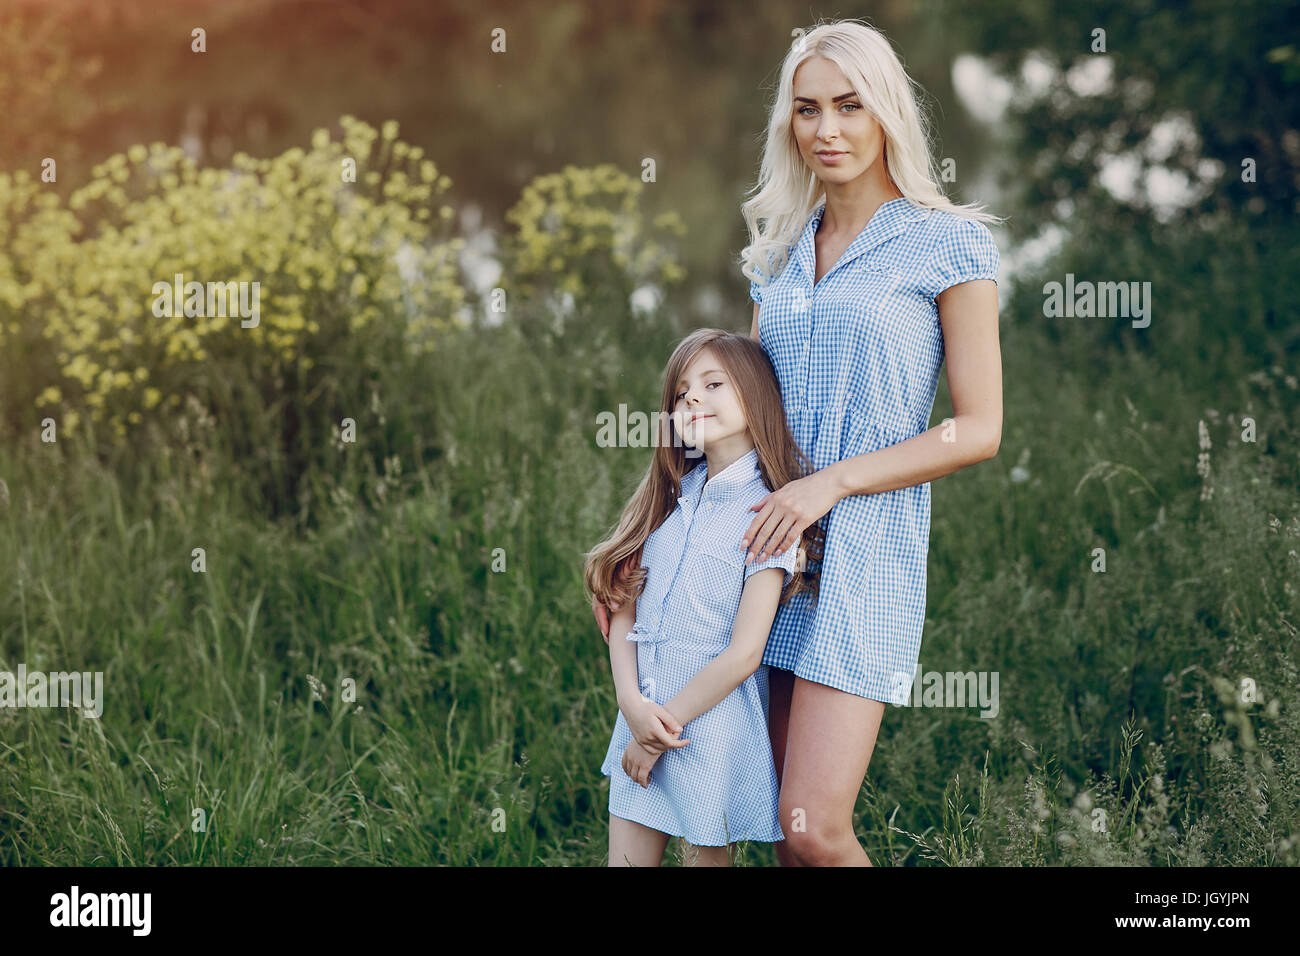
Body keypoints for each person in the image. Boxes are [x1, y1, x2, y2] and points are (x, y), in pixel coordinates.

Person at [595, 19, 1004, 866]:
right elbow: (737, 417)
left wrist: (830, 486)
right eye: (808, 109)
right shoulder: (777, 252)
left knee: (813, 829)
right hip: (752, 551)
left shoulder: (948, 242)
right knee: (761, 822)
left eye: (850, 106)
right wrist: (645, 536)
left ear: (886, 108)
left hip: (860, 558)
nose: (828, 130)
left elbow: (979, 429)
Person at [583, 328, 826, 867]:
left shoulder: (770, 512)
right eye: (681, 391)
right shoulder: (667, 501)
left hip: (708, 727)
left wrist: (660, 731)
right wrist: (632, 706)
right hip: (640, 712)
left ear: (756, 395)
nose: (692, 397)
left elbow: (744, 654)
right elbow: (624, 604)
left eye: (713, 383)